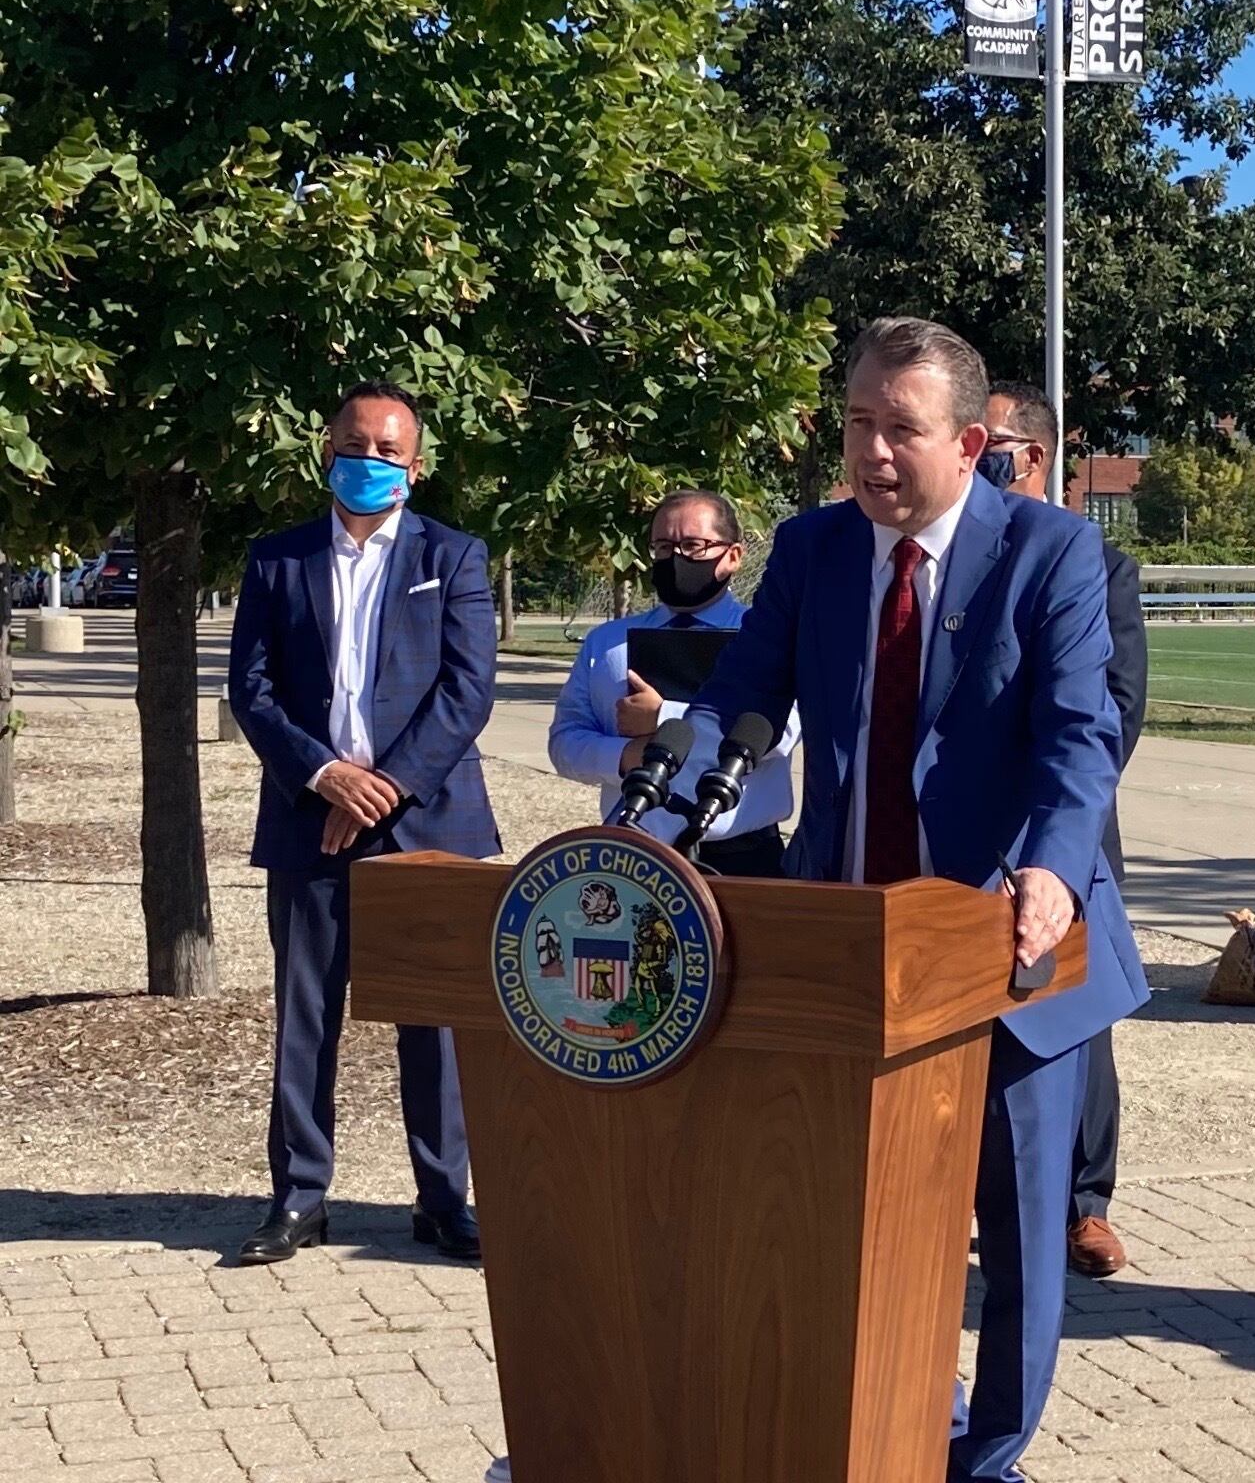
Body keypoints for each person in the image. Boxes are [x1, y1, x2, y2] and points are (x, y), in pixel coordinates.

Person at [688, 317, 1148, 1483]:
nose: (872, 452)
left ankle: (987, 1456)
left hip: (1002, 949)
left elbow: (1080, 737)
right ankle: (873, 1420)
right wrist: (668, 820)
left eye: (901, 428)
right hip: (845, 953)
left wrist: (1049, 863)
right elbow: (742, 701)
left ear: (974, 441)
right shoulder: (810, 550)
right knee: (847, 1214)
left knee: (1020, 1229)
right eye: (856, 423)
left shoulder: (1050, 552)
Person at [225, 381, 498, 1266]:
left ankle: (440, 1200)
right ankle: (301, 1199)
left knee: (438, 1021)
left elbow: (468, 691)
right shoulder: (275, 561)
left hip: (430, 824)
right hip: (311, 814)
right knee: (306, 1013)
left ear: (415, 470)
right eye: (356, 444)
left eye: (389, 451)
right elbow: (253, 690)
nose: (370, 461)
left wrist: (384, 788)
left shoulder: (453, 557)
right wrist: (328, 776)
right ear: (326, 449)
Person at [981, 380, 1147, 1281]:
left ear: (1033, 455)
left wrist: (1049, 821)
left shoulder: (1099, 563)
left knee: (1076, 1022)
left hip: (1060, 836)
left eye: (992, 442)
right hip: (964, 845)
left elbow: (1114, 712)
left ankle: (1086, 1206)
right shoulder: (959, 552)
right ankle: (983, 1195)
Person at [545, 489, 797, 877]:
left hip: (744, 857)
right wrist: (629, 755)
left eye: (693, 545)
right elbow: (565, 744)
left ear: (733, 556)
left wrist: (665, 718)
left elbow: (784, 732)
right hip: (636, 854)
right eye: (663, 546)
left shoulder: (764, 637)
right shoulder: (607, 643)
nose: (676, 558)